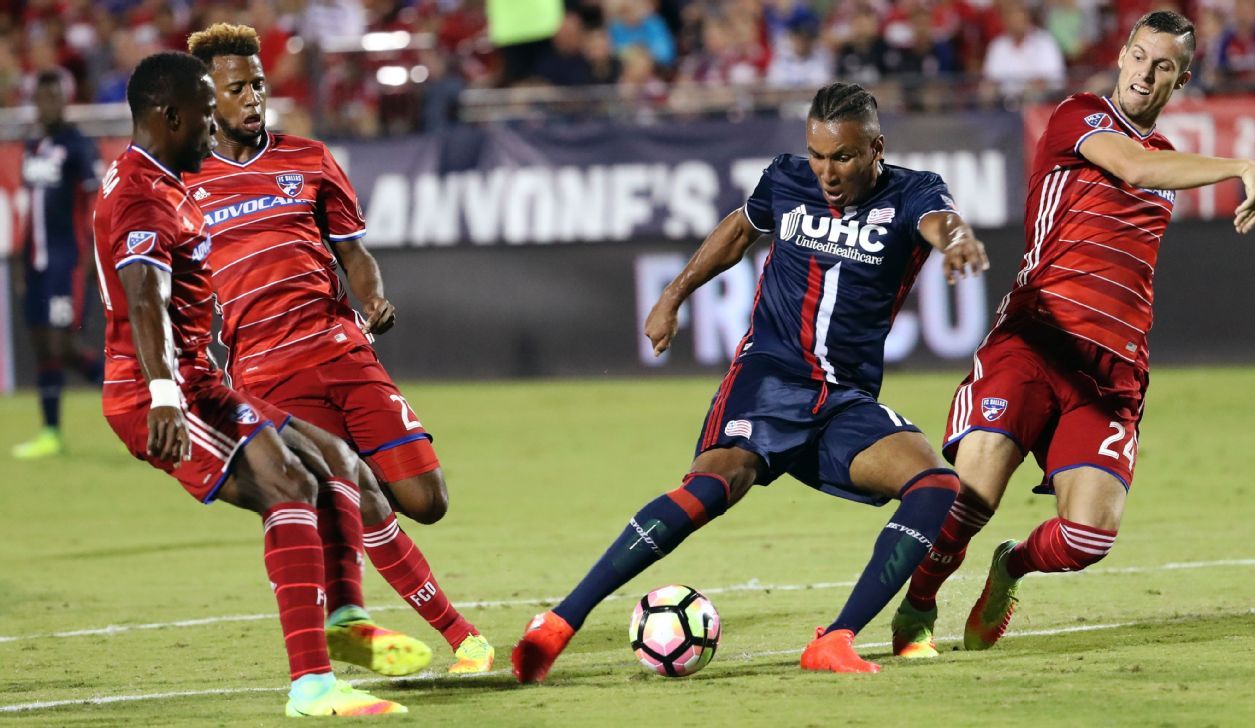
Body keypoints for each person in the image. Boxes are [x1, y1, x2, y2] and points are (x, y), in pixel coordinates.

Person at [512, 82, 991, 682]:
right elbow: (738, 233)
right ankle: (557, 624)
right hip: (768, 379)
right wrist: (673, 294)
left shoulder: (912, 191)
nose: (826, 171)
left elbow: (940, 221)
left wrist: (960, 240)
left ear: (876, 148)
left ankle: (836, 639)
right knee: (712, 487)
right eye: (817, 155)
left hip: (843, 400)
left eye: (842, 156)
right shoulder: (785, 180)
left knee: (936, 486)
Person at [889, 10, 1255, 658]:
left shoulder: (1169, 162)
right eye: (1140, 57)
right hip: (1033, 339)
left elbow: (1149, 181)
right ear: (1123, 54)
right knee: (971, 502)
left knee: (1089, 538)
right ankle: (918, 607)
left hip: (1110, 371)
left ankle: (1010, 567)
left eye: (1164, 67)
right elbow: (1134, 168)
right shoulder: (1080, 117)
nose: (1146, 75)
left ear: (1180, 80)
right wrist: (1244, 165)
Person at [95, 50, 408, 716]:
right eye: (206, 115)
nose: (214, 130)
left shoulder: (161, 179)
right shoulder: (141, 196)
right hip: (160, 394)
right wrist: (164, 398)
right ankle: (313, 684)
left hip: (202, 382)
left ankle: (340, 632)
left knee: (321, 468)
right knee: (288, 486)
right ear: (169, 115)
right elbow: (144, 300)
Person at [183, 23, 494, 674]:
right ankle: (461, 638)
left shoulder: (310, 158)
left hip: (341, 348)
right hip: (266, 371)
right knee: (337, 490)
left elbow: (355, 253)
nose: (253, 98)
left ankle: (347, 489)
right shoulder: (182, 187)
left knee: (426, 500)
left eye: (258, 85)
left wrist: (371, 297)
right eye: (236, 88)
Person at [12, 70, 104, 459]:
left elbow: (93, 203)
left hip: (66, 262)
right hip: (34, 262)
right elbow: (28, 209)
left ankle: (128, 394)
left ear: (64, 100)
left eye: (53, 97)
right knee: (41, 345)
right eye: (41, 97)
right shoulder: (33, 146)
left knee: (62, 343)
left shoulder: (77, 145)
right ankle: (51, 432)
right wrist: (19, 259)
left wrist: (88, 259)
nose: (46, 104)